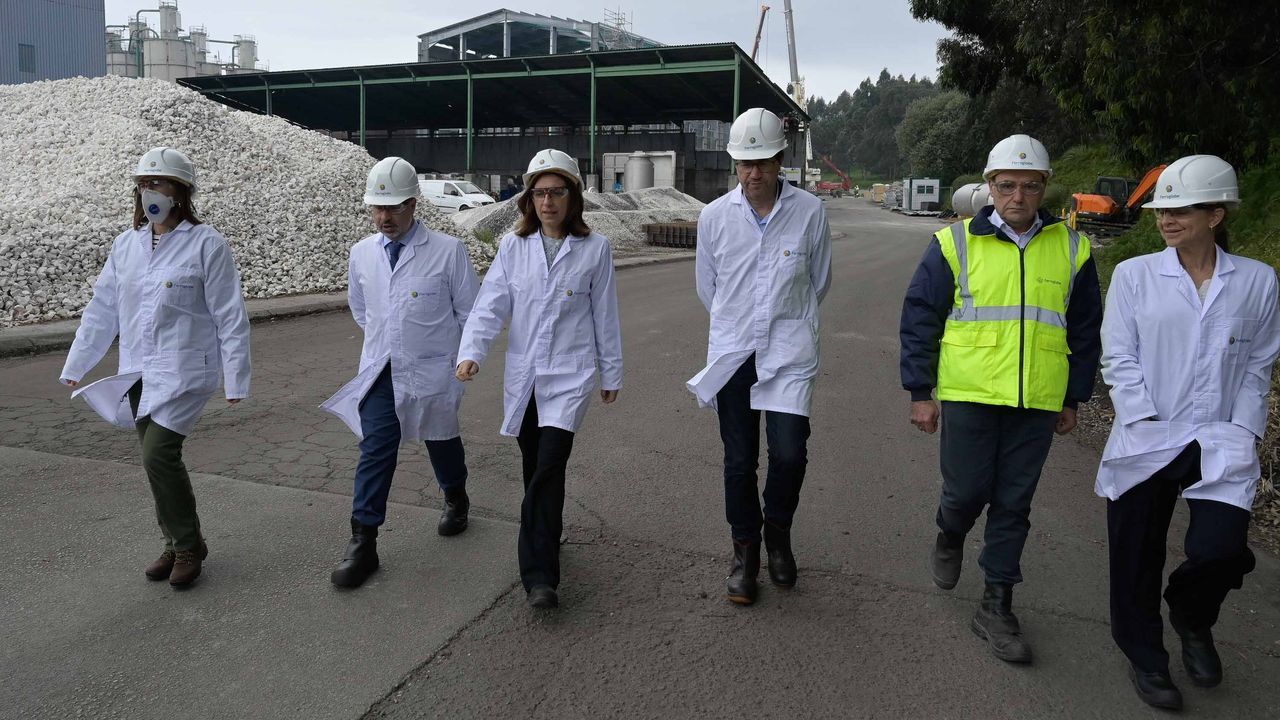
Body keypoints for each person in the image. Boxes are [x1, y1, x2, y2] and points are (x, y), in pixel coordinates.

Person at [899, 134, 1102, 662]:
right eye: (1007, 185)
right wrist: (920, 392)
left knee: (1014, 503)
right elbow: (921, 317)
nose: (1018, 196)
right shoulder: (954, 243)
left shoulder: (1073, 248)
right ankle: (950, 534)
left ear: (1044, 188)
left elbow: (1085, 331)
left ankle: (996, 604)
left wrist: (1072, 398)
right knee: (966, 492)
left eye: (1030, 186)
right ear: (989, 186)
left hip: (1037, 400)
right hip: (970, 394)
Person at [1096, 155, 1280, 711]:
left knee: (1221, 552)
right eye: (1161, 210)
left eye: (1180, 210)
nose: (1166, 219)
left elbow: (1259, 363)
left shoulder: (1256, 281)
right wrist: (1142, 417)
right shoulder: (1135, 276)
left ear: (1215, 215)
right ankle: (1145, 656)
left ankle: (1191, 617)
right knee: (1136, 554)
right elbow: (1119, 355)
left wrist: (1245, 428)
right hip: (1149, 436)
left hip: (1221, 436)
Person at [60, 147, 251, 588]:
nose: (150, 191)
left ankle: (187, 547)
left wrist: (236, 378)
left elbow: (229, 314)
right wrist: (78, 362)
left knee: (158, 454)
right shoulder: (125, 245)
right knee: (155, 463)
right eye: (144, 184)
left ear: (180, 192)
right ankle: (177, 541)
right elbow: (102, 309)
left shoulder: (206, 244)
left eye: (159, 183)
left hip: (186, 371)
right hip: (138, 372)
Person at [456, 149, 623, 610]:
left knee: (549, 463)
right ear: (529, 199)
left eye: (557, 192)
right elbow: (491, 305)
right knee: (535, 464)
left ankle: (540, 576)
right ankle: (548, 529)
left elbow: (605, 315)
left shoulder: (595, 249)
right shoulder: (514, 246)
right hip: (525, 375)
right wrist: (471, 353)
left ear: (573, 197)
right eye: (539, 193)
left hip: (570, 375)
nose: (547, 202)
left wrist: (611, 371)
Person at [686, 107, 832, 606]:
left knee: (790, 453)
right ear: (735, 164)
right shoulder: (714, 218)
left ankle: (778, 533)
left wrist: (781, 322)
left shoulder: (810, 212)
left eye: (763, 162)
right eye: (746, 163)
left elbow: (818, 282)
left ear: (780, 159)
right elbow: (709, 288)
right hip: (734, 354)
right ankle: (745, 552)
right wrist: (741, 325)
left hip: (789, 350)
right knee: (739, 460)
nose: (754, 173)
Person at [321, 157, 480, 589]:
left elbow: (471, 313)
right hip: (381, 370)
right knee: (375, 449)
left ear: (413, 204)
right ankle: (363, 541)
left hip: (433, 370)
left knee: (440, 439)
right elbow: (362, 310)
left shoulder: (448, 251)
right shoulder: (362, 254)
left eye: (392, 207)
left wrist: (466, 357)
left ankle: (455, 496)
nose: (383, 217)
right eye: (377, 207)